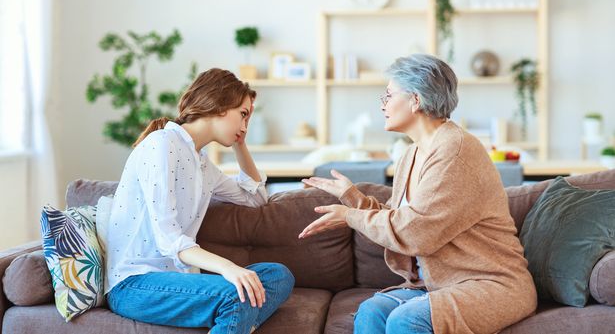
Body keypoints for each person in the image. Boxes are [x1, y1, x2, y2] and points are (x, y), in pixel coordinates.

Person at [299, 54, 537, 334]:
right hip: (439, 285)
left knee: (406, 320)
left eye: (388, 95)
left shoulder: (454, 151)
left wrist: (351, 216)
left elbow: (415, 233)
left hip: (491, 284)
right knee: (371, 312)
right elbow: (400, 219)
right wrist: (351, 197)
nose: (383, 105)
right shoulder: (412, 153)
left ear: (415, 100)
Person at [105, 68, 294, 334]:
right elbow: (169, 240)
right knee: (234, 293)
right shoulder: (161, 145)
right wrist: (228, 268)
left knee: (278, 276)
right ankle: (238, 316)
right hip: (134, 284)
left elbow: (255, 200)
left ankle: (239, 320)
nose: (244, 125)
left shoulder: (203, 164)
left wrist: (241, 144)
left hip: (179, 280)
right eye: (243, 114)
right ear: (220, 105)